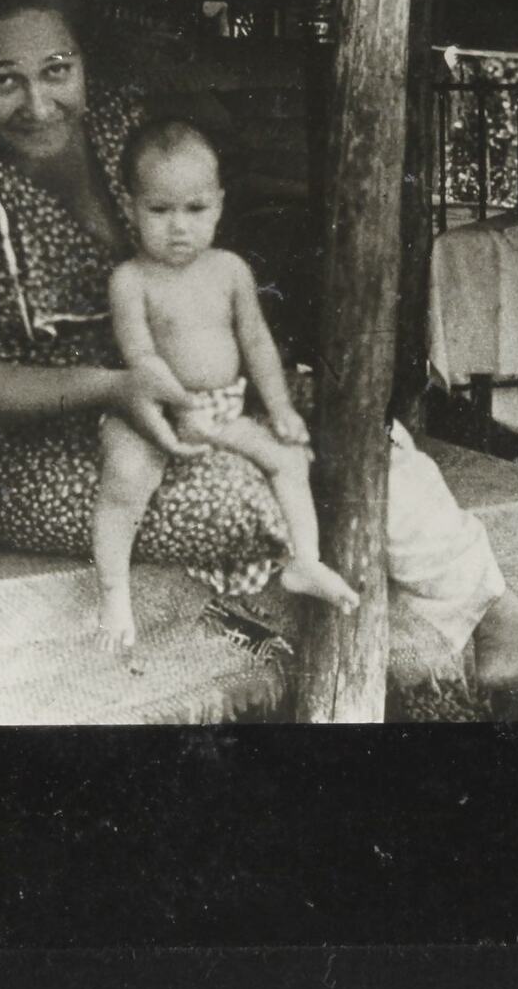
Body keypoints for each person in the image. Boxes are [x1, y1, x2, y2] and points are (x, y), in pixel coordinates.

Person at [0, 0, 518, 689]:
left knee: (353, 431)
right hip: (17, 448)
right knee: (256, 493)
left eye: (57, 69)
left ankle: (499, 623)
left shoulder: (118, 126)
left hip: (176, 401)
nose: (38, 103)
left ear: (83, 57)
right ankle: (426, 656)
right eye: (3, 81)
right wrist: (114, 388)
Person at [93, 118, 358, 654]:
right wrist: (176, 403)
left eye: (195, 209)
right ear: (130, 206)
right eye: (159, 210)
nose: (179, 227)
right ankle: (113, 592)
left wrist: (280, 409)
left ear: (219, 204)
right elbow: (139, 355)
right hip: (154, 409)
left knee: (290, 458)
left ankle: (305, 561)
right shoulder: (131, 279)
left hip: (220, 410)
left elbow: (257, 342)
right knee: (125, 477)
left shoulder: (230, 270)